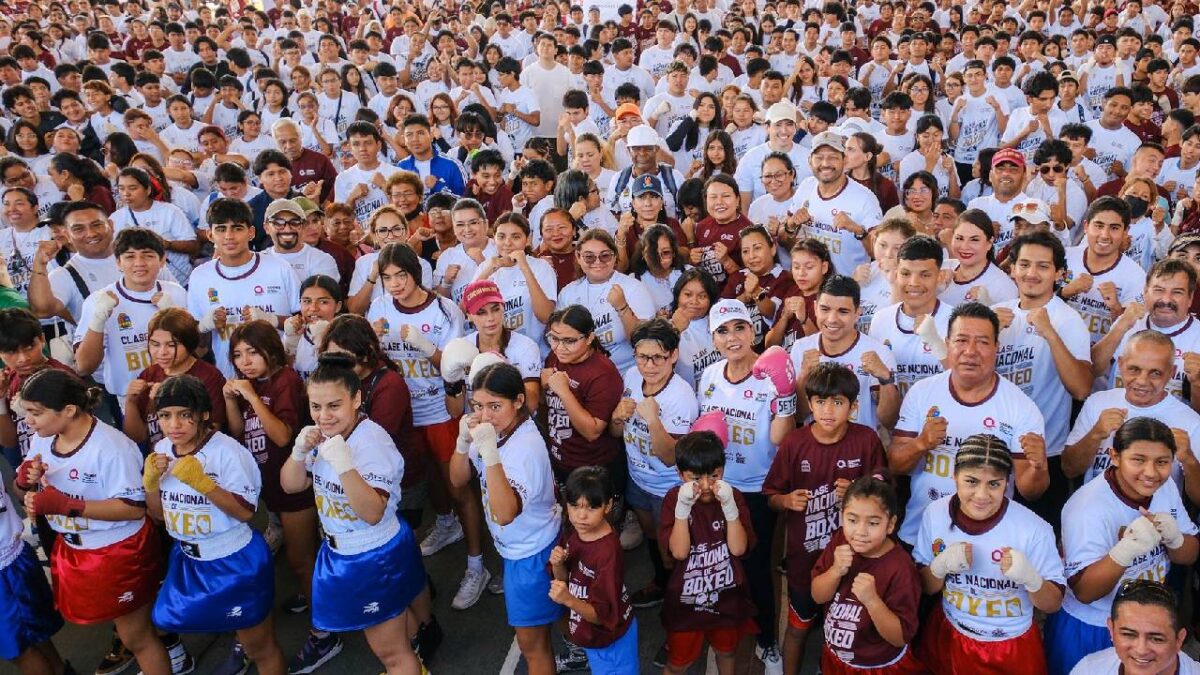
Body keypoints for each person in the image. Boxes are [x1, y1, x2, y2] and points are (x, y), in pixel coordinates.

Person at [13, 368, 171, 675]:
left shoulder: (112, 447)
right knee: (129, 629)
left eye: (35, 413)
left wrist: (68, 506)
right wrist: (23, 481)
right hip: (75, 549)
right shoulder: (44, 438)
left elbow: (134, 508)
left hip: (117, 551)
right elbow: (27, 491)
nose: (28, 421)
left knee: (136, 637)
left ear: (69, 410)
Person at [280, 353, 428, 675]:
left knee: (391, 653)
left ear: (356, 399)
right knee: (401, 629)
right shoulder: (323, 436)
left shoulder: (372, 442)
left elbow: (372, 512)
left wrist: (343, 463)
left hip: (371, 552)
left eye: (334, 405)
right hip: (347, 550)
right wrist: (299, 451)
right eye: (316, 407)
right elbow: (290, 486)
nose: (324, 416)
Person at [143, 375, 286, 675]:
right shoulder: (162, 451)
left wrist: (204, 484)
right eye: (166, 416)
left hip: (233, 560)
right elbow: (159, 514)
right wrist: (151, 484)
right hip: (189, 558)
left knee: (260, 645)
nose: (174, 425)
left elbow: (247, 513)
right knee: (160, 621)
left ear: (203, 414)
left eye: (184, 415)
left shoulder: (229, 453)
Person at [1046, 417, 1200, 675]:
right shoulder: (1087, 507)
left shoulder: (1165, 486)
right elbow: (1084, 591)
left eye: (1162, 462)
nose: (1150, 472)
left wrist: (1175, 539)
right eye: (1138, 460)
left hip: (1146, 621)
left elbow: (1190, 554)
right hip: (1092, 625)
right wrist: (1125, 550)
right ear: (1115, 456)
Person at [889, 302, 1050, 546]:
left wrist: (1039, 467)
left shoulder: (1021, 407)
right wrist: (920, 444)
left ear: (997, 347)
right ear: (947, 343)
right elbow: (894, 464)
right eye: (961, 340)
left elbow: (1032, 491)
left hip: (990, 542)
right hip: (921, 533)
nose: (970, 351)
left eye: (983, 342)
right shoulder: (922, 392)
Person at [764, 362, 889, 674]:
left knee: (850, 629)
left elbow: (885, 495)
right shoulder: (794, 442)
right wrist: (786, 500)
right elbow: (771, 496)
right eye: (820, 401)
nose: (828, 410)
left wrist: (858, 491)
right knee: (798, 628)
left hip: (856, 561)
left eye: (837, 402)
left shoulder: (867, 440)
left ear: (853, 406)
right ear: (810, 404)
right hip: (803, 560)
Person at [913, 434, 1066, 674]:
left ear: (1007, 482)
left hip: (1011, 643)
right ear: (954, 477)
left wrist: (1032, 579)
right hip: (951, 631)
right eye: (971, 481)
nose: (982, 495)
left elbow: (1053, 604)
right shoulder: (935, 514)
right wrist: (938, 568)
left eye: (994, 484)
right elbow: (924, 586)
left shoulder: (1033, 529)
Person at [699, 300, 797, 671]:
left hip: (757, 487)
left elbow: (780, 439)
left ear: (752, 330)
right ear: (713, 338)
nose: (732, 337)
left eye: (739, 328)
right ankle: (727, 626)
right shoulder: (709, 376)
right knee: (721, 561)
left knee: (758, 568)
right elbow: (704, 433)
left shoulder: (769, 373)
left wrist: (785, 398)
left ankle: (768, 641)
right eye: (722, 331)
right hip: (718, 486)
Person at [448, 362, 563, 675]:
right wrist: (462, 443)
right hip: (524, 548)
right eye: (479, 405)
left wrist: (489, 453)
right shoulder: (495, 431)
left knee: (533, 648)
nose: (485, 415)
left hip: (531, 555)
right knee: (550, 630)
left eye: (495, 406)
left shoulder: (523, 448)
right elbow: (458, 480)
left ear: (519, 401)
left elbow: (505, 513)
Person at [992, 232, 1093, 528]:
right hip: (993, 448)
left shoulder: (1066, 320)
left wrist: (1050, 333)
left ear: (1059, 273)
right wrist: (988, 334)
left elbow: (1081, 388)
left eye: (1042, 266)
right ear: (1012, 268)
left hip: (1042, 455)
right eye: (1024, 264)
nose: (1031, 274)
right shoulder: (999, 313)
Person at [610, 318, 699, 606]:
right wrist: (617, 417)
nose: (648, 365)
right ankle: (662, 584)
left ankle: (679, 603)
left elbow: (671, 456)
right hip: (639, 480)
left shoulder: (681, 396)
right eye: (641, 356)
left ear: (673, 356)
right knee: (650, 534)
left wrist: (651, 419)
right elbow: (615, 431)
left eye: (657, 357)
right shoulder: (631, 378)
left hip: (667, 489)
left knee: (672, 549)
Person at [659, 429, 757, 675]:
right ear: (680, 474)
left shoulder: (732, 496)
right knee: (677, 664)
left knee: (727, 652)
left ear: (723, 469)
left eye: (714, 475)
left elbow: (738, 548)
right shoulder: (673, 500)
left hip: (726, 597)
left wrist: (730, 507)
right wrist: (682, 510)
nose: (705, 486)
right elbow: (679, 553)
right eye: (695, 478)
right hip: (686, 602)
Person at [810, 477, 924, 674]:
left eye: (873, 523)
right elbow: (818, 596)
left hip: (876, 667)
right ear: (842, 516)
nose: (860, 532)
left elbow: (899, 637)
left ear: (890, 525)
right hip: (835, 658)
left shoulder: (901, 568)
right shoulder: (840, 542)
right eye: (852, 520)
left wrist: (872, 601)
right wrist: (835, 570)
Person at [186, 198, 300, 380]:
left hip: (278, 378)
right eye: (221, 229)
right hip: (229, 379)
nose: (229, 236)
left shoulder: (279, 268)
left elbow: (303, 321)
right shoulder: (200, 276)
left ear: (251, 232)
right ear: (209, 235)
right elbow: (197, 346)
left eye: (237, 228)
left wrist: (270, 319)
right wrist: (204, 326)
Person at [548, 466, 639, 675]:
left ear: (608, 506)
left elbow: (601, 615)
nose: (581, 515)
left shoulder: (608, 552)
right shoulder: (576, 532)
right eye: (574, 506)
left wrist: (569, 600)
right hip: (592, 635)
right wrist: (558, 564)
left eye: (591, 508)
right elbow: (564, 581)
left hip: (609, 641)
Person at [791, 274, 901, 433]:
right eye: (825, 309)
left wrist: (885, 379)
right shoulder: (801, 348)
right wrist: (804, 376)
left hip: (860, 451)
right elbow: (799, 416)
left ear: (857, 313)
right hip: (815, 451)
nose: (832, 319)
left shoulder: (879, 352)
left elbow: (890, 421)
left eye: (843, 311)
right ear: (815, 308)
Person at [1092, 259, 1200, 407]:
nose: (1166, 299)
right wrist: (1121, 325)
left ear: (1190, 298)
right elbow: (1093, 371)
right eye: (1158, 290)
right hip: (1117, 420)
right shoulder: (1128, 322)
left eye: (1177, 292)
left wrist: (1197, 383)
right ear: (1145, 292)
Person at [124, 307, 227, 447]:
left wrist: (168, 399)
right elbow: (137, 437)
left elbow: (212, 432)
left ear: (189, 344)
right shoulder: (148, 375)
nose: (162, 352)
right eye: (155, 344)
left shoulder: (208, 376)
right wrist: (130, 402)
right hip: (160, 462)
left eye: (171, 345)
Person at [556, 229, 655, 374]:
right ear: (578, 257)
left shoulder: (633, 287)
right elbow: (559, 339)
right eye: (589, 257)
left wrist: (622, 307)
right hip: (582, 373)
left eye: (605, 256)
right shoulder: (568, 292)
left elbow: (643, 341)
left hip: (626, 371)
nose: (597, 262)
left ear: (614, 257)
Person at [789, 132, 883, 277]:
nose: (825, 164)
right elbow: (785, 239)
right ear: (810, 161)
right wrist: (791, 225)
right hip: (811, 286)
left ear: (844, 160)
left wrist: (858, 230)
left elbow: (879, 253)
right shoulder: (806, 187)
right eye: (819, 158)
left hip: (848, 289)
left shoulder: (865, 198)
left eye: (833, 157)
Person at [867, 235, 954, 395]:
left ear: (940, 276)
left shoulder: (955, 320)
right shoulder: (881, 320)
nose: (914, 282)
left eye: (925, 275)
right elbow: (876, 391)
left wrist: (936, 343)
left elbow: (966, 382)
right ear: (896, 274)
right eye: (906, 274)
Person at [1062, 197, 1147, 346]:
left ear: (1125, 231)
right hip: (1054, 352)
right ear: (1086, 226)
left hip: (1101, 363)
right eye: (1098, 226)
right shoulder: (1064, 257)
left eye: (1114, 228)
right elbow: (1036, 305)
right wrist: (1064, 293)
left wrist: (1116, 308)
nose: (1105, 235)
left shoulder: (1136, 276)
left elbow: (1136, 336)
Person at [1070, 580, 1200, 674]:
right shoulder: (1088, 670)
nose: (1141, 650)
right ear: (1111, 629)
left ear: (1179, 639)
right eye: (1128, 634)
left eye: (1156, 639)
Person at [472, 212, 556, 356]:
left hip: (535, 353)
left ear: (527, 239)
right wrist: (487, 271)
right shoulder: (486, 267)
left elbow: (546, 316)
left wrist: (524, 267)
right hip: (496, 354)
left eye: (516, 237)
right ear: (494, 239)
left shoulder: (541, 267)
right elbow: (469, 309)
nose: (508, 243)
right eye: (501, 236)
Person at [941, 209, 1018, 306]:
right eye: (959, 238)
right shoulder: (942, 268)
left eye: (974, 240)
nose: (965, 246)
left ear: (990, 243)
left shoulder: (1004, 287)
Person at [285, 275, 342, 381]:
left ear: (338, 306)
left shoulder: (348, 334)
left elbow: (342, 378)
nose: (313, 308)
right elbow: (285, 376)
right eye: (307, 301)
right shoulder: (295, 332)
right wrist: (290, 343)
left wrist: (321, 340)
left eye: (323, 302)